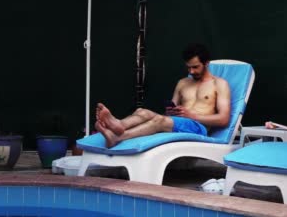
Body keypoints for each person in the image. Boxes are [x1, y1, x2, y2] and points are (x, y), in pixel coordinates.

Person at [95, 43, 231, 148]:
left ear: (206, 63)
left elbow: (224, 119)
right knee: (141, 111)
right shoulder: (183, 83)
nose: (191, 71)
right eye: (188, 67)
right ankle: (119, 124)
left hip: (198, 128)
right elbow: (168, 114)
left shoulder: (219, 84)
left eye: (195, 67)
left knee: (159, 121)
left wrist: (193, 116)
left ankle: (118, 137)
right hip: (177, 123)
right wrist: (170, 111)